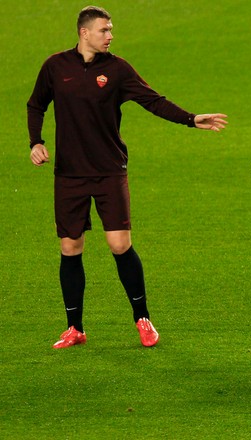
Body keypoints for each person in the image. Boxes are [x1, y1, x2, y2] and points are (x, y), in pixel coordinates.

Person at [27, 6, 228, 349]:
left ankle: (143, 319)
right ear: (84, 33)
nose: (110, 36)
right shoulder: (55, 67)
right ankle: (74, 328)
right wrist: (36, 141)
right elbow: (36, 104)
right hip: (70, 175)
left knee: (120, 244)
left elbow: (153, 101)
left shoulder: (117, 70)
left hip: (109, 171)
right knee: (70, 247)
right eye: (104, 30)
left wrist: (191, 119)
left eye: (110, 30)